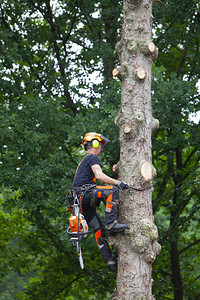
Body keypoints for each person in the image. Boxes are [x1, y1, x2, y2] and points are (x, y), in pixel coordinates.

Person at [71, 132, 128, 271]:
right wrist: (119, 183)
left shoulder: (84, 160)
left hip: (78, 202)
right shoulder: (91, 157)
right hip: (84, 194)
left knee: (98, 230)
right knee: (112, 191)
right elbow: (100, 176)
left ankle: (110, 260)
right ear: (95, 143)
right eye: (100, 145)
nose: (101, 148)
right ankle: (111, 223)